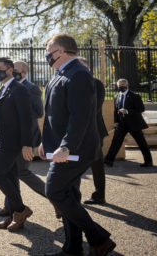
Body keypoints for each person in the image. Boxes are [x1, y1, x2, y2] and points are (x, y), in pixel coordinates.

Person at [40, 34, 115, 256]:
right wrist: (48, 144)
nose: (47, 56)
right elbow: (53, 114)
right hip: (62, 149)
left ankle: (98, 238)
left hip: (75, 150)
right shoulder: (60, 73)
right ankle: (72, 248)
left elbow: (79, 117)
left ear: (61, 52)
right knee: (69, 196)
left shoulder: (79, 75)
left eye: (49, 51)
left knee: (53, 190)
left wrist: (65, 147)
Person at [0, 57, 34, 232]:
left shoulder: (19, 89)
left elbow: (27, 119)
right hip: (2, 139)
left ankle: (20, 210)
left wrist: (27, 144)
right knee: (10, 178)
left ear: (10, 70)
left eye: (0, 68)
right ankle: (13, 216)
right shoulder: (3, 88)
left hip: (13, 142)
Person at [0, 61, 47, 217]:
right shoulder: (6, 87)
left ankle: (52, 198)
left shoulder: (31, 88)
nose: (14, 73)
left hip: (26, 137)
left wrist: (19, 107)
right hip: (11, 138)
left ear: (24, 73)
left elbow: (38, 112)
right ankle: (12, 209)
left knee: (20, 172)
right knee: (10, 172)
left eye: (18, 71)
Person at [78, 57, 109, 205]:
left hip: (95, 131)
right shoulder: (74, 83)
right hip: (77, 132)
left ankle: (99, 195)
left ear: (88, 68)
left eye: (82, 66)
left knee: (96, 164)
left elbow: (95, 108)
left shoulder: (96, 83)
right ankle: (72, 195)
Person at [104, 78, 153, 168]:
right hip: (121, 124)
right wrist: (116, 122)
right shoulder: (116, 96)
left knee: (141, 143)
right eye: (119, 86)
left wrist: (127, 111)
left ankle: (148, 161)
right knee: (115, 142)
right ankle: (108, 160)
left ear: (127, 85)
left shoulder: (135, 96)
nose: (120, 87)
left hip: (134, 123)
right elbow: (116, 110)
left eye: (122, 85)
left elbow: (141, 109)